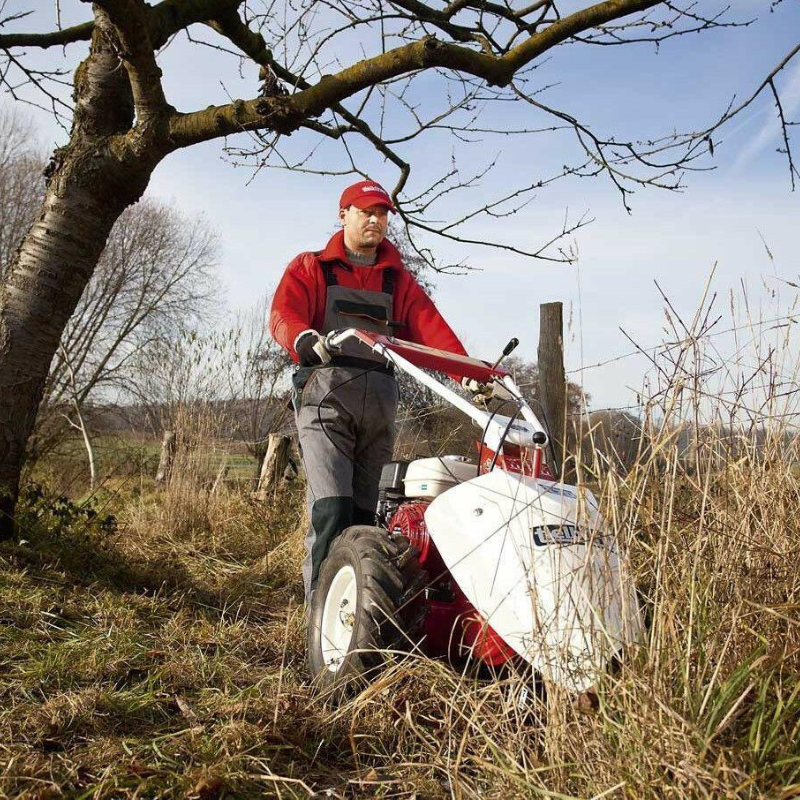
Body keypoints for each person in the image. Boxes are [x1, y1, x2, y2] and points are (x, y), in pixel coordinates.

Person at [269, 179, 477, 602]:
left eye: (382, 214)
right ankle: (319, 614)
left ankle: (358, 613)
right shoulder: (313, 267)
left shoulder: (397, 282)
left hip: (379, 402)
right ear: (343, 214)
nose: (376, 221)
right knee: (332, 509)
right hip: (326, 397)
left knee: (366, 516)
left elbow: (431, 330)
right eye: (366, 212)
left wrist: (468, 374)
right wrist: (303, 338)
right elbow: (282, 313)